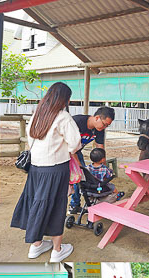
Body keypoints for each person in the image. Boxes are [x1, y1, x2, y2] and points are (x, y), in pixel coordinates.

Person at [10, 82, 80, 263]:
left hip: (36, 168)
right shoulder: (63, 117)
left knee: (36, 202)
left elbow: (31, 137)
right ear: (65, 99)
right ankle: (57, 250)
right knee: (57, 205)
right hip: (56, 169)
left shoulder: (37, 114)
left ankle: (36, 245)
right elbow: (75, 144)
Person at [68, 106, 115, 213]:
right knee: (76, 176)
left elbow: (100, 148)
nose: (104, 127)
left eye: (107, 126)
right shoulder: (77, 122)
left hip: (76, 152)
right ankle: (70, 205)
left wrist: (103, 167)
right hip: (64, 150)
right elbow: (70, 148)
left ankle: (75, 205)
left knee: (82, 177)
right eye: (104, 124)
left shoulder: (99, 129)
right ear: (97, 117)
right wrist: (79, 166)